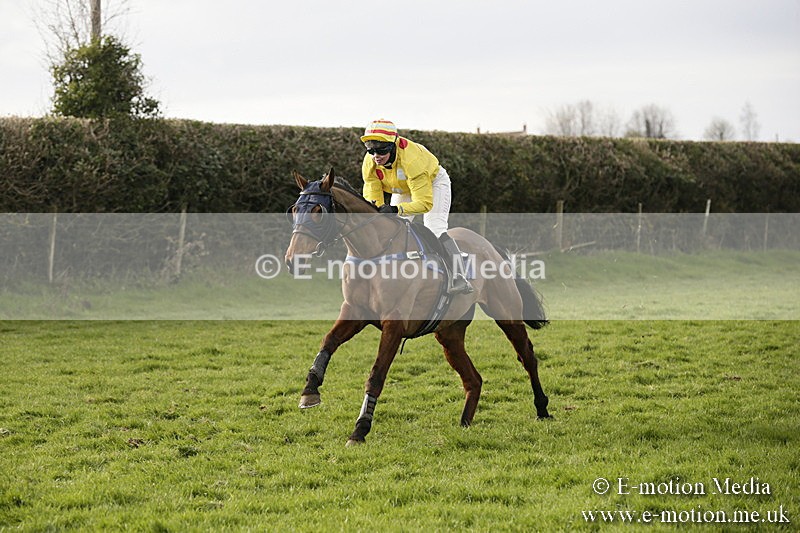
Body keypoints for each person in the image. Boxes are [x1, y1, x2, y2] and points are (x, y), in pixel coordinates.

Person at [360, 119, 473, 294]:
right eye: (371, 149)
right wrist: (380, 210)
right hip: (404, 187)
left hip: (433, 183)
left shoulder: (412, 160)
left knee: (434, 227)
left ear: (393, 145)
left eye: (381, 149)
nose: (376, 155)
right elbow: (372, 198)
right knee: (391, 228)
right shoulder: (370, 162)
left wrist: (396, 209)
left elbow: (425, 203)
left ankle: (460, 276)